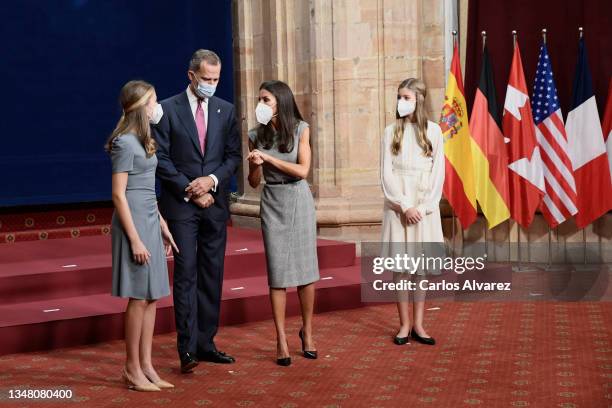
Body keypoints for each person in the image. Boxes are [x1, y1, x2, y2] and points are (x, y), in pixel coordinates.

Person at [153, 49, 241, 373]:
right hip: (182, 206)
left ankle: (206, 343)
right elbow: (160, 158)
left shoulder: (226, 111)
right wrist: (192, 188)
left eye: (216, 79)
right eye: (206, 79)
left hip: (215, 205)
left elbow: (232, 157)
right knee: (187, 274)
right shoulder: (166, 110)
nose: (212, 84)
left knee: (211, 274)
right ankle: (186, 349)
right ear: (191, 76)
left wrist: (212, 181)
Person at [106, 80, 179, 391]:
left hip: (149, 218)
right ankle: (131, 369)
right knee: (138, 296)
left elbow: (148, 191)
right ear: (138, 107)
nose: (156, 107)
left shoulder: (144, 140)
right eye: (152, 101)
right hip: (131, 223)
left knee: (152, 296)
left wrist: (161, 223)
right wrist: (135, 239)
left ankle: (147, 365)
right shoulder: (124, 142)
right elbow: (119, 195)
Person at [246, 80, 319, 366]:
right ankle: (280, 338)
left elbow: (302, 170)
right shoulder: (254, 134)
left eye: (266, 100)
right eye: (260, 100)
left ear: (280, 102)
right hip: (273, 202)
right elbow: (254, 183)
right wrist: (254, 164)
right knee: (277, 273)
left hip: (299, 200)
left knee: (305, 270)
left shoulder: (302, 129)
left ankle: (308, 332)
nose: (260, 105)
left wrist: (268, 158)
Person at [380, 78, 445, 347]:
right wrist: (405, 205)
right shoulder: (390, 131)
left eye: (406, 97)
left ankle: (419, 323)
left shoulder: (434, 131)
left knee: (420, 268)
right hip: (399, 208)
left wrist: (423, 207)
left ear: (418, 100)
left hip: (423, 208)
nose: (400, 102)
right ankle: (404, 324)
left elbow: (437, 173)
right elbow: (386, 173)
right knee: (401, 268)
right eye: (399, 97)